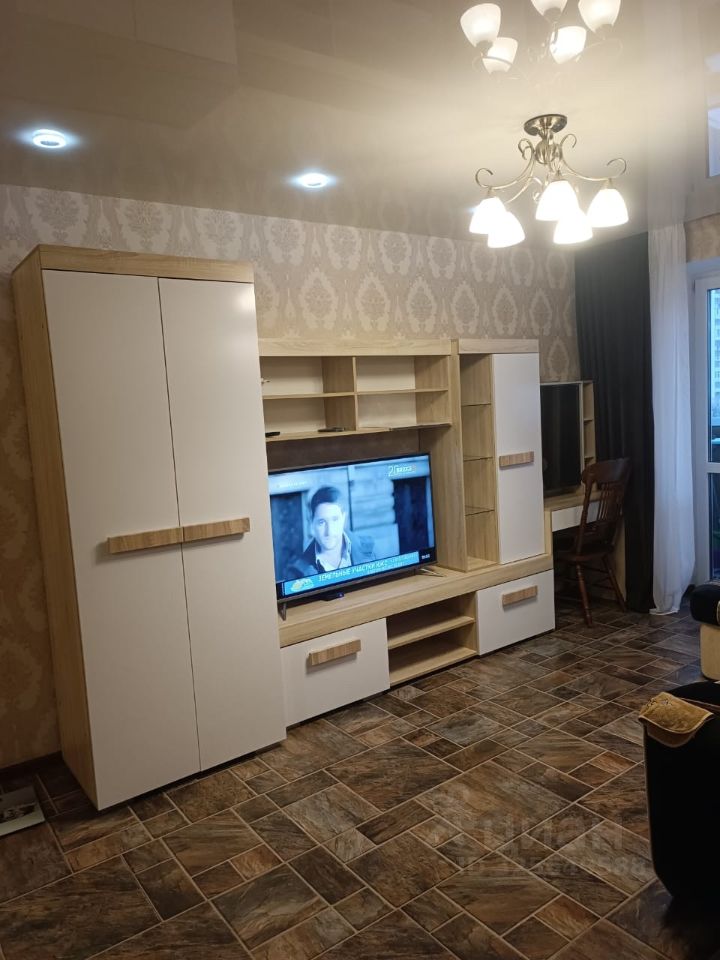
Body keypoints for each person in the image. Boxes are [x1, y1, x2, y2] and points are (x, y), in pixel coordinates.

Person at [283, 485, 374, 580]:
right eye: (321, 522)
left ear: (344, 518)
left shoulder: (371, 548)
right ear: (312, 522)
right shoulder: (297, 573)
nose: (329, 531)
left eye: (335, 520)